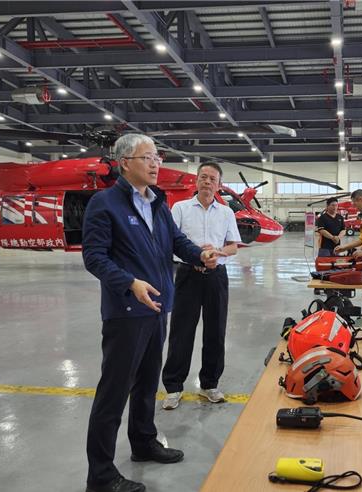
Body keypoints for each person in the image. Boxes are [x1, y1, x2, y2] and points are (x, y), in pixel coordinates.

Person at [82, 134, 223, 492]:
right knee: (114, 393)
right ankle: (100, 474)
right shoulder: (105, 203)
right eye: (147, 157)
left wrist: (200, 256)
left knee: (146, 385)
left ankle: (143, 443)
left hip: (158, 308)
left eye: (157, 157)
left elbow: (176, 241)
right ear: (125, 162)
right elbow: (94, 257)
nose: (156, 163)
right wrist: (130, 282)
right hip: (127, 311)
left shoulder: (158, 203)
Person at [162, 162, 241, 409]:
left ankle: (209, 384)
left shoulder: (226, 212)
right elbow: (171, 243)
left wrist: (217, 252)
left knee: (215, 331)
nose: (207, 182)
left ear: (219, 185)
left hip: (217, 276)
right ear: (196, 181)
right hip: (188, 275)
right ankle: (174, 387)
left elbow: (233, 246)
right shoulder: (180, 208)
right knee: (181, 332)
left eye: (212, 179)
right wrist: (197, 255)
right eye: (203, 177)